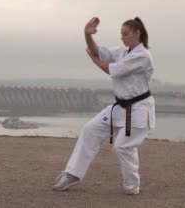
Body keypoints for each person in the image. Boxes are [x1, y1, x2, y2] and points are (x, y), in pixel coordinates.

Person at [53, 16, 155, 195]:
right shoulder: (123, 52)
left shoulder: (142, 56)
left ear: (137, 33)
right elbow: (98, 50)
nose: (122, 37)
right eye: (121, 34)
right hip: (120, 107)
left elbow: (110, 69)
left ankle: (132, 186)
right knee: (90, 129)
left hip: (139, 110)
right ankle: (72, 174)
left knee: (123, 146)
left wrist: (92, 58)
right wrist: (87, 35)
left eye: (125, 34)